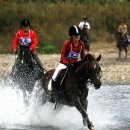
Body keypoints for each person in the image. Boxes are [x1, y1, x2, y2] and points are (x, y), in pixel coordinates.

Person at [48, 25, 86, 91]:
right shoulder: (67, 43)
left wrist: (83, 63)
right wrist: (68, 63)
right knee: (54, 76)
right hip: (64, 64)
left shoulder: (81, 44)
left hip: (75, 64)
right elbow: (62, 56)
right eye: (75, 35)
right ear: (72, 36)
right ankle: (53, 92)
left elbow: (83, 56)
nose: (77, 36)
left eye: (78, 35)